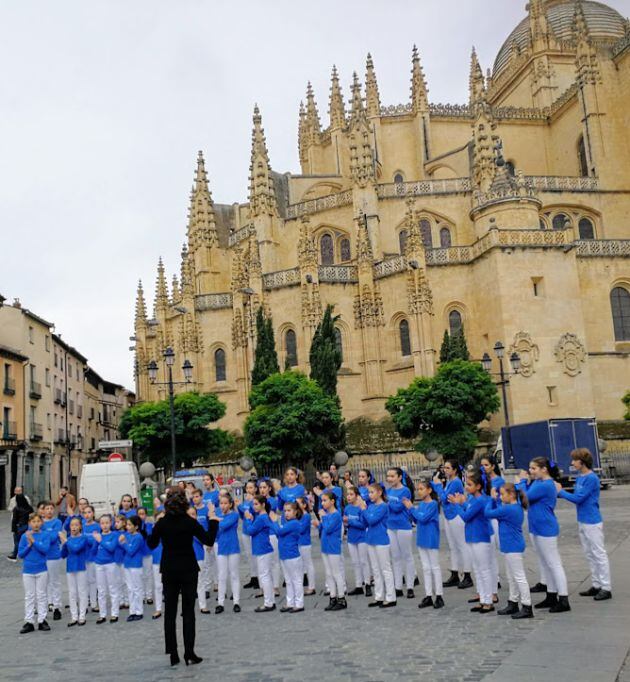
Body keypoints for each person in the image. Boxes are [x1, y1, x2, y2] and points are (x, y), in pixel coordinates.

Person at [147, 491, 218, 666]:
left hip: (169, 569)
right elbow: (208, 540)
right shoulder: (190, 522)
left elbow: (151, 544)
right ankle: (189, 652)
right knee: (188, 612)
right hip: (188, 568)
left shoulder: (162, 523)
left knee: (170, 613)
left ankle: (173, 653)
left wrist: (149, 528)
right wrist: (213, 522)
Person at [556, 448, 611, 601]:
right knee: (589, 553)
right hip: (583, 519)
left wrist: (560, 492)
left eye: (574, 460)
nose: (572, 462)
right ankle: (596, 583)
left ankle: (606, 587)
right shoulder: (580, 477)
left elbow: (579, 498)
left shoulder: (591, 478)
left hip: (592, 520)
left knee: (599, 553)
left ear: (582, 462)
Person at [518, 457, 571, 613]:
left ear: (544, 469)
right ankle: (551, 594)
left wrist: (521, 482)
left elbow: (526, 496)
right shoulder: (538, 482)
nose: (530, 471)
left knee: (554, 563)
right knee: (546, 562)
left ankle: (563, 598)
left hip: (546, 528)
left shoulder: (546, 484)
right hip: (537, 526)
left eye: (534, 468)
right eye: (530, 468)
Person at [485, 482, 533, 619]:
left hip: (513, 546)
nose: (500, 496)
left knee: (519, 576)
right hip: (510, 545)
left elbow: (488, 513)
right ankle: (513, 601)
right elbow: (498, 509)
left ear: (511, 495)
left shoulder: (508, 509)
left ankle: (527, 605)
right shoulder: (513, 507)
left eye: (502, 494)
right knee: (511, 576)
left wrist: (491, 499)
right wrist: (496, 500)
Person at [450, 471, 495, 614]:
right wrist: (462, 503)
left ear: (479, 486)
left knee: (484, 569)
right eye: (466, 484)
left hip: (480, 537)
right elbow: (467, 509)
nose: (466, 487)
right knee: (477, 569)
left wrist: (457, 505)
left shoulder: (481, 500)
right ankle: (482, 598)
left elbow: (466, 516)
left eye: (470, 485)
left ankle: (488, 600)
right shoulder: (471, 499)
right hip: (471, 536)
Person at [432, 459, 473, 589]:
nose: (445, 470)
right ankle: (455, 573)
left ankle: (467, 575)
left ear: (455, 470)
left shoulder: (456, 482)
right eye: (445, 468)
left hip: (456, 515)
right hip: (448, 514)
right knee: (452, 546)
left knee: (462, 545)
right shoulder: (450, 481)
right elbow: (444, 498)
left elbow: (444, 498)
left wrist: (438, 486)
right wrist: (441, 490)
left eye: (448, 468)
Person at [403, 479, 444, 609]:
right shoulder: (420, 506)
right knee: (426, 568)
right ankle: (428, 595)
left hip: (431, 538)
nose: (419, 492)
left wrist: (411, 508)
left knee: (434, 567)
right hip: (422, 538)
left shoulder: (433, 504)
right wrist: (410, 510)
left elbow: (423, 518)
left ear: (429, 490)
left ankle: (439, 595)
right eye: (418, 489)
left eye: (421, 489)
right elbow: (416, 519)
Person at [358, 483, 396, 608]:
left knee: (385, 569)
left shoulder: (383, 506)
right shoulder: (370, 507)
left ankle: (391, 597)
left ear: (379, 493)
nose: (369, 495)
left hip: (381, 540)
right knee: (375, 570)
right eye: (368, 493)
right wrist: (362, 511)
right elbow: (365, 522)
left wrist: (364, 510)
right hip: (370, 539)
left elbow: (372, 521)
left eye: (372, 492)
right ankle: (379, 596)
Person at [18, 512, 51, 633]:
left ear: (41, 523)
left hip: (41, 569)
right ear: (29, 523)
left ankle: (42, 620)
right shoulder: (24, 537)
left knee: (41, 595)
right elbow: (20, 554)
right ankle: (29, 621)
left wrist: (34, 542)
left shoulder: (45, 535)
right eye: (33, 522)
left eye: (38, 521)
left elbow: (45, 550)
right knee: (29, 596)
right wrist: (29, 545)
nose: (36, 524)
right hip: (28, 570)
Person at [385, 467, 416, 599]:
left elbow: (398, 508)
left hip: (403, 526)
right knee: (395, 557)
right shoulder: (389, 490)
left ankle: (410, 586)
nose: (389, 479)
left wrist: (387, 503)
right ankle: (398, 586)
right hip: (390, 525)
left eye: (392, 476)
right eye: (388, 476)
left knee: (407, 556)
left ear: (399, 477)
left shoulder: (405, 490)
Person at [313, 492, 346, 611]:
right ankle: (333, 597)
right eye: (321, 501)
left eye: (325, 500)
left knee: (336, 573)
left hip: (333, 546)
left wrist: (322, 518)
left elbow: (328, 529)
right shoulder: (326, 515)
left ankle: (341, 598)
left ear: (332, 501)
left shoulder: (336, 515)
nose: (322, 503)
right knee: (328, 573)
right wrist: (318, 525)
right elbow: (322, 528)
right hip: (325, 545)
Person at [208, 493, 241, 614]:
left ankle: (236, 602)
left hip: (233, 547)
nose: (223, 506)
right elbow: (214, 530)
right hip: (221, 547)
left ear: (230, 504)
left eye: (225, 503)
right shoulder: (219, 515)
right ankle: (220, 603)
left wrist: (215, 518)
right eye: (221, 503)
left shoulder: (234, 515)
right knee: (221, 575)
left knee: (234, 575)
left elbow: (223, 524)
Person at [243, 495, 276, 613]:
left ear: (263, 504)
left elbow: (251, 531)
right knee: (266, 575)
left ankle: (268, 603)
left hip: (262, 549)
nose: (254, 506)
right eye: (253, 504)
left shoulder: (262, 517)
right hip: (262, 548)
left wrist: (247, 519)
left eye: (256, 504)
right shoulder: (261, 517)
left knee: (264, 576)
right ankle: (271, 600)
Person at [270, 501, 304, 613]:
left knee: (296, 580)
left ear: (295, 512)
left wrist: (275, 522)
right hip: (285, 554)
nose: (286, 513)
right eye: (285, 511)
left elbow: (279, 531)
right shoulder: (287, 523)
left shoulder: (294, 523)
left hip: (292, 555)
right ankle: (290, 602)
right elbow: (279, 534)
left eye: (289, 511)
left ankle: (299, 603)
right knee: (289, 580)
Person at [60, 518, 89, 626]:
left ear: (80, 527)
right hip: (70, 568)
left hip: (81, 567)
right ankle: (74, 616)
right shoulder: (68, 539)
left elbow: (76, 549)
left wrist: (66, 541)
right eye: (72, 525)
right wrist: (63, 544)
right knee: (72, 593)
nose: (74, 527)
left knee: (82, 592)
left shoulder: (83, 538)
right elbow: (62, 555)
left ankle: (82, 616)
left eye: (76, 525)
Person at [343, 485, 371, 597]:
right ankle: (358, 585)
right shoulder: (347, 508)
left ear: (357, 496)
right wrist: (346, 523)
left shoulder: (361, 507)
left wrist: (349, 521)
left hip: (362, 537)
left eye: (351, 495)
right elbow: (345, 521)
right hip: (351, 537)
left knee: (364, 562)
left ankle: (368, 584)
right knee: (355, 562)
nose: (348, 497)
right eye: (347, 495)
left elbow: (363, 525)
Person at [92, 513, 120, 624]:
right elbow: (93, 550)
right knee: (101, 590)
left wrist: (100, 541)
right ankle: (102, 614)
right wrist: (96, 558)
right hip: (99, 564)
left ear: (111, 523)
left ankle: (114, 613)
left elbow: (111, 548)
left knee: (113, 588)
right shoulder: (98, 536)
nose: (104, 525)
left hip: (110, 564)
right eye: (102, 523)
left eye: (107, 523)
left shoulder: (114, 535)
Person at [119, 516, 145, 622]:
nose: (127, 527)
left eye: (130, 525)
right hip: (127, 565)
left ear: (136, 526)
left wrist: (123, 543)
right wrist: (122, 542)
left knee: (137, 588)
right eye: (127, 524)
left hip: (136, 565)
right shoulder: (127, 535)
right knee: (130, 589)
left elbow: (131, 551)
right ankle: (132, 611)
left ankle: (139, 611)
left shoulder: (138, 537)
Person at [41, 501, 63, 620]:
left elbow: (54, 537)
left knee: (55, 581)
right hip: (42, 556)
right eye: (47, 508)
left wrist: (43, 537)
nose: (49, 510)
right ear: (43, 511)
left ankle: (57, 606)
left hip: (53, 555)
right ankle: (45, 606)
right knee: (44, 583)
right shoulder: (39, 522)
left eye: (51, 508)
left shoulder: (57, 522)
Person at [258, 479, 281, 596]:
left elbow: (269, 514)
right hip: (261, 534)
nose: (262, 490)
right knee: (261, 562)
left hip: (271, 533)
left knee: (274, 561)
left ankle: (275, 586)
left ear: (269, 489)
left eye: (264, 487)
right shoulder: (256, 501)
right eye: (260, 487)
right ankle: (263, 586)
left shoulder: (272, 501)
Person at [239, 480, 259, 590]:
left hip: (254, 531)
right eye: (247, 488)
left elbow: (257, 513)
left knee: (256, 555)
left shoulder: (256, 501)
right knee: (249, 555)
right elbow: (242, 515)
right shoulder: (245, 501)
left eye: (251, 488)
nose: (249, 490)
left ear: (255, 489)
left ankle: (258, 578)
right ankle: (253, 577)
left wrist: (252, 503)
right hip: (246, 530)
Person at [296, 496, 316, 595]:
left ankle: (311, 586)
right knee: (300, 565)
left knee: (308, 564)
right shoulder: (298, 516)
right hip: (298, 542)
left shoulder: (306, 515)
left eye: (298, 503)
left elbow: (301, 529)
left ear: (304, 505)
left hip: (304, 543)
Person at [82, 505, 100, 611]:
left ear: (93, 513)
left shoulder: (97, 526)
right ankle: (85, 602)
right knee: (84, 581)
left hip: (93, 556)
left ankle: (94, 603)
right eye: (85, 512)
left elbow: (96, 541)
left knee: (93, 580)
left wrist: (87, 539)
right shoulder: (82, 526)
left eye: (89, 512)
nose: (87, 514)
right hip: (83, 556)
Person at [136, 507, 154, 606]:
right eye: (139, 514)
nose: (141, 516)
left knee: (148, 575)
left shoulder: (149, 525)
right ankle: (142, 595)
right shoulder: (134, 527)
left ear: (146, 515)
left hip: (147, 552)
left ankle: (149, 595)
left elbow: (147, 535)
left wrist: (142, 529)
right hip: (138, 553)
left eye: (143, 514)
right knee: (140, 576)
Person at [8, 492, 33, 562]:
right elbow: (32, 515)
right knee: (27, 540)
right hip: (27, 526)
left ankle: (14, 555)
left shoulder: (16, 508)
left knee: (17, 541)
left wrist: (13, 529)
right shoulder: (29, 507)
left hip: (19, 526)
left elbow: (14, 520)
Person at [151, 511, 164, 619]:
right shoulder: (153, 530)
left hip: (170, 560)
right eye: (159, 519)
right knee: (158, 586)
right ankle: (158, 609)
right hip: (157, 560)